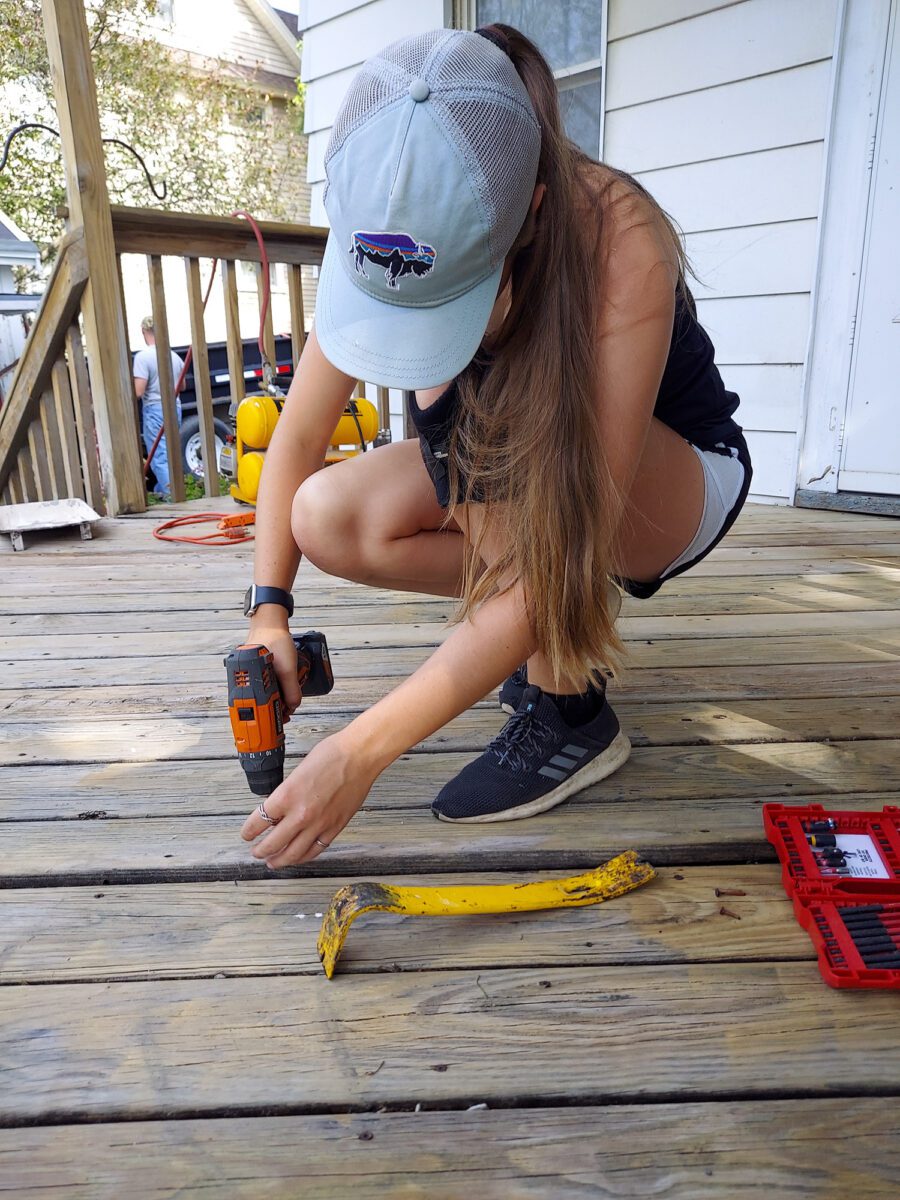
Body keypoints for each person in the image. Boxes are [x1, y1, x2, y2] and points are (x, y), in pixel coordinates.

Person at [240, 25, 753, 868]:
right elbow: (296, 435)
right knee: (325, 515)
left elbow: (568, 537)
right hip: (543, 487)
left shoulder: (619, 237)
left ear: (531, 214)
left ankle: (571, 713)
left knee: (490, 436)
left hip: (677, 484)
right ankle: (535, 627)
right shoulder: (389, 205)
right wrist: (269, 610)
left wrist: (360, 753)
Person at [133, 315, 185, 499]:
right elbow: (182, 386)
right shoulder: (174, 356)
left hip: (155, 408)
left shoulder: (143, 357)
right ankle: (165, 490)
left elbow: (139, 391)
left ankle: (173, 496)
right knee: (172, 450)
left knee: (160, 454)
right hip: (174, 407)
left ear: (143, 332)